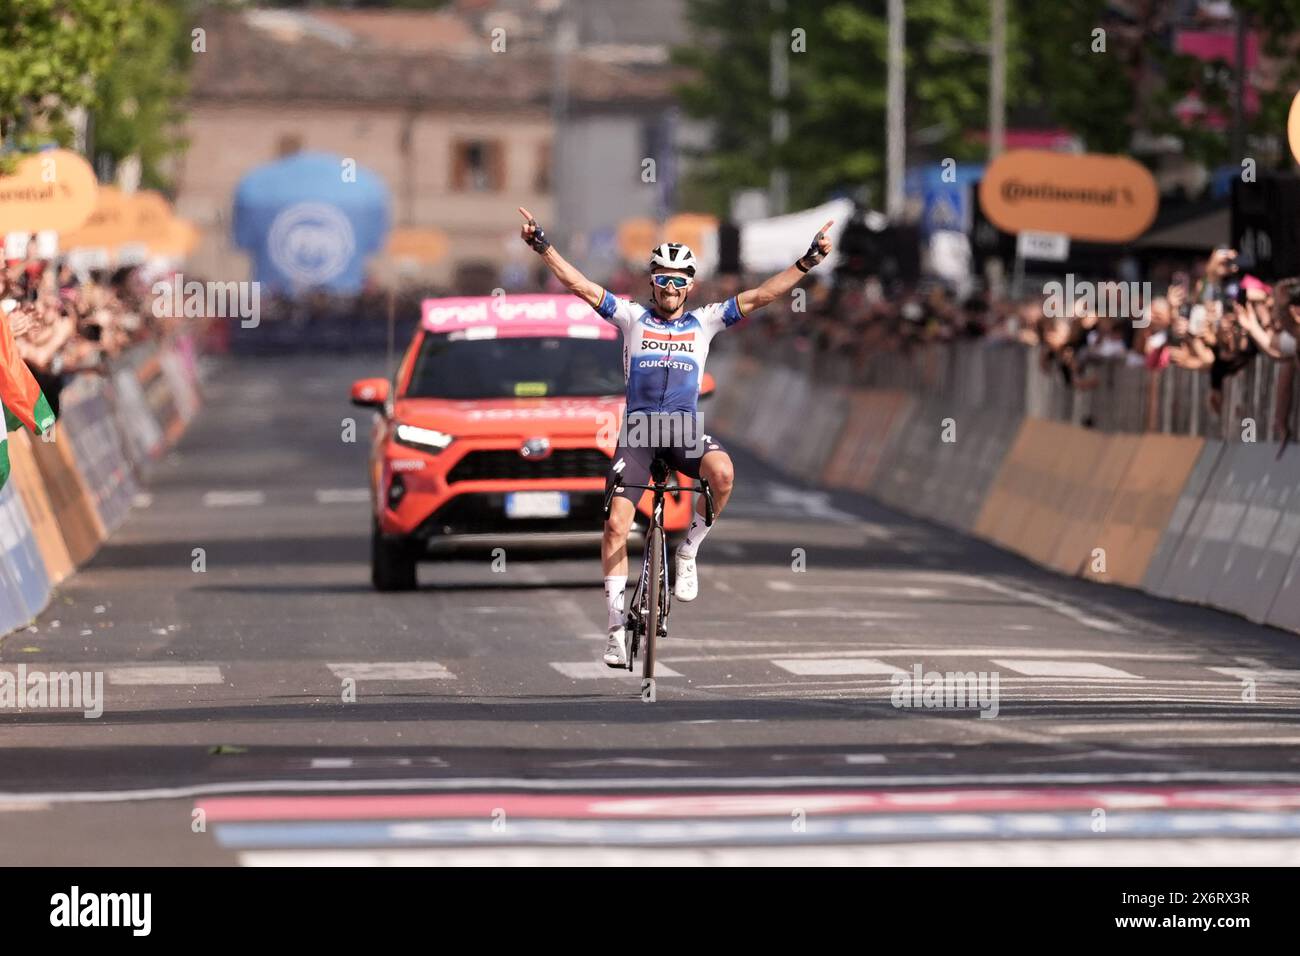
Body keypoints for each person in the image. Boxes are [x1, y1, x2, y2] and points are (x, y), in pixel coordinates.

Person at [516, 206, 834, 666]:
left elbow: (764, 294)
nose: (670, 287)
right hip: (640, 433)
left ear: (690, 284)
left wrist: (807, 262)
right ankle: (613, 629)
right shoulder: (629, 317)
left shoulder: (704, 321)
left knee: (722, 473)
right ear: (651, 282)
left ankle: (688, 551)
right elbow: (579, 285)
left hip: (684, 431)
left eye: (679, 279)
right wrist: (543, 246)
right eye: (662, 279)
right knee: (615, 527)